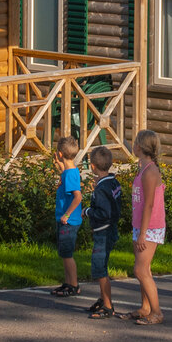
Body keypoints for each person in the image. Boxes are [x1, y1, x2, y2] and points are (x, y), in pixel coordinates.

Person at [117, 129, 165, 325]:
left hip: (150, 227)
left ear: (139, 147)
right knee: (144, 269)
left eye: (135, 142)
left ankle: (157, 312)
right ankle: (145, 307)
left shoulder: (150, 171)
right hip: (141, 226)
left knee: (140, 270)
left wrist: (143, 234)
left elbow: (149, 205)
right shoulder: (143, 168)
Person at [85, 145, 121, 319]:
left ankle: (108, 305)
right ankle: (103, 298)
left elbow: (103, 212)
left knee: (99, 267)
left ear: (93, 166)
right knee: (101, 265)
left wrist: (88, 212)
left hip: (103, 231)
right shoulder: (113, 182)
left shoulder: (101, 189)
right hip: (111, 229)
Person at [50, 136, 83, 297]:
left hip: (68, 222)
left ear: (61, 153)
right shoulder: (70, 170)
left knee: (67, 255)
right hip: (66, 220)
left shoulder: (70, 175)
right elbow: (65, 174)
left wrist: (67, 214)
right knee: (64, 253)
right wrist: (59, 164)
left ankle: (74, 285)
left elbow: (78, 196)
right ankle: (69, 282)